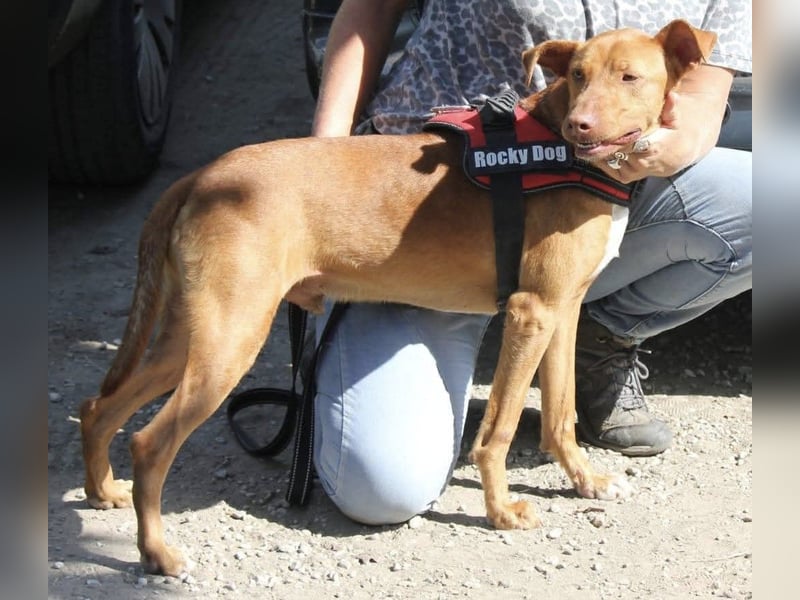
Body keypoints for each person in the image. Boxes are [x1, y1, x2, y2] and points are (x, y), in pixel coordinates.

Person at [308, 0, 752, 525]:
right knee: (381, 489)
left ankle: (601, 339)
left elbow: (700, 102)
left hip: (609, 178)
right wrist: (318, 182)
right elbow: (371, 9)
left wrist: (654, 147)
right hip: (428, 195)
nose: (585, 104)